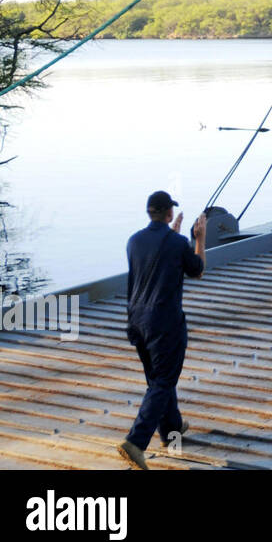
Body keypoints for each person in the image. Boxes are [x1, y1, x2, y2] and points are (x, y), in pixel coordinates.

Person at [117, 191, 207, 470]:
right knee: (163, 381)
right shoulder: (178, 243)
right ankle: (135, 443)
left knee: (157, 379)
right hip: (164, 324)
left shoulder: (133, 241)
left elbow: (156, 262)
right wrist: (199, 238)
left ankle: (171, 431)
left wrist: (176, 236)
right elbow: (198, 270)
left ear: (149, 213)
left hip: (136, 322)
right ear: (169, 214)